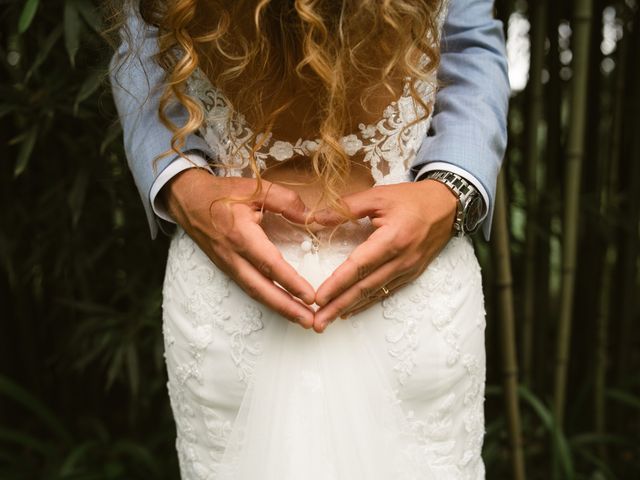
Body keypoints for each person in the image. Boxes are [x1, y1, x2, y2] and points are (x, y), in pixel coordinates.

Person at [110, 0, 508, 478]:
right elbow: (139, 49)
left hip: (406, 287)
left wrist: (454, 187)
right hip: (234, 291)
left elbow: (140, 40)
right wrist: (180, 184)